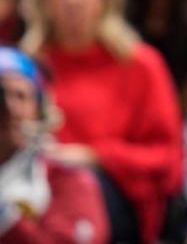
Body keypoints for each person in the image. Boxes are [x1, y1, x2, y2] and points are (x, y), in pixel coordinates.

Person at [19, 0, 184, 244]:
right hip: (36, 199)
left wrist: (94, 156)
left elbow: (168, 160)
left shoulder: (140, 64)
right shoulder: (25, 68)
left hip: (118, 205)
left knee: (82, 184)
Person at [0, 46, 109, 243]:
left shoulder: (65, 177)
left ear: (40, 109)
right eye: (1, 96)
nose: (10, 108)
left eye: (21, 96)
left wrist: (6, 218)